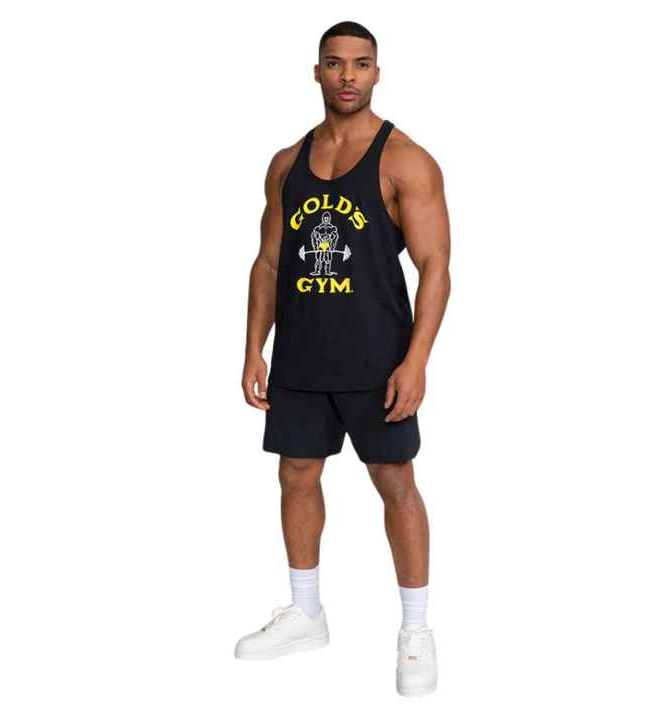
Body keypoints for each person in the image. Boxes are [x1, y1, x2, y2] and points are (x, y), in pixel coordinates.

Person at [236, 20, 451, 698]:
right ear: (318, 72)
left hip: (376, 357)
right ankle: (306, 613)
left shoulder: (405, 160)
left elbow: (435, 266)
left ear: (377, 73)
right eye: (335, 63)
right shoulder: (287, 162)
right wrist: (254, 348)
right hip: (301, 355)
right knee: (296, 475)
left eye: (361, 64)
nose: (348, 76)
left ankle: (416, 631)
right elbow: (270, 262)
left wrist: (416, 361)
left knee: (395, 483)